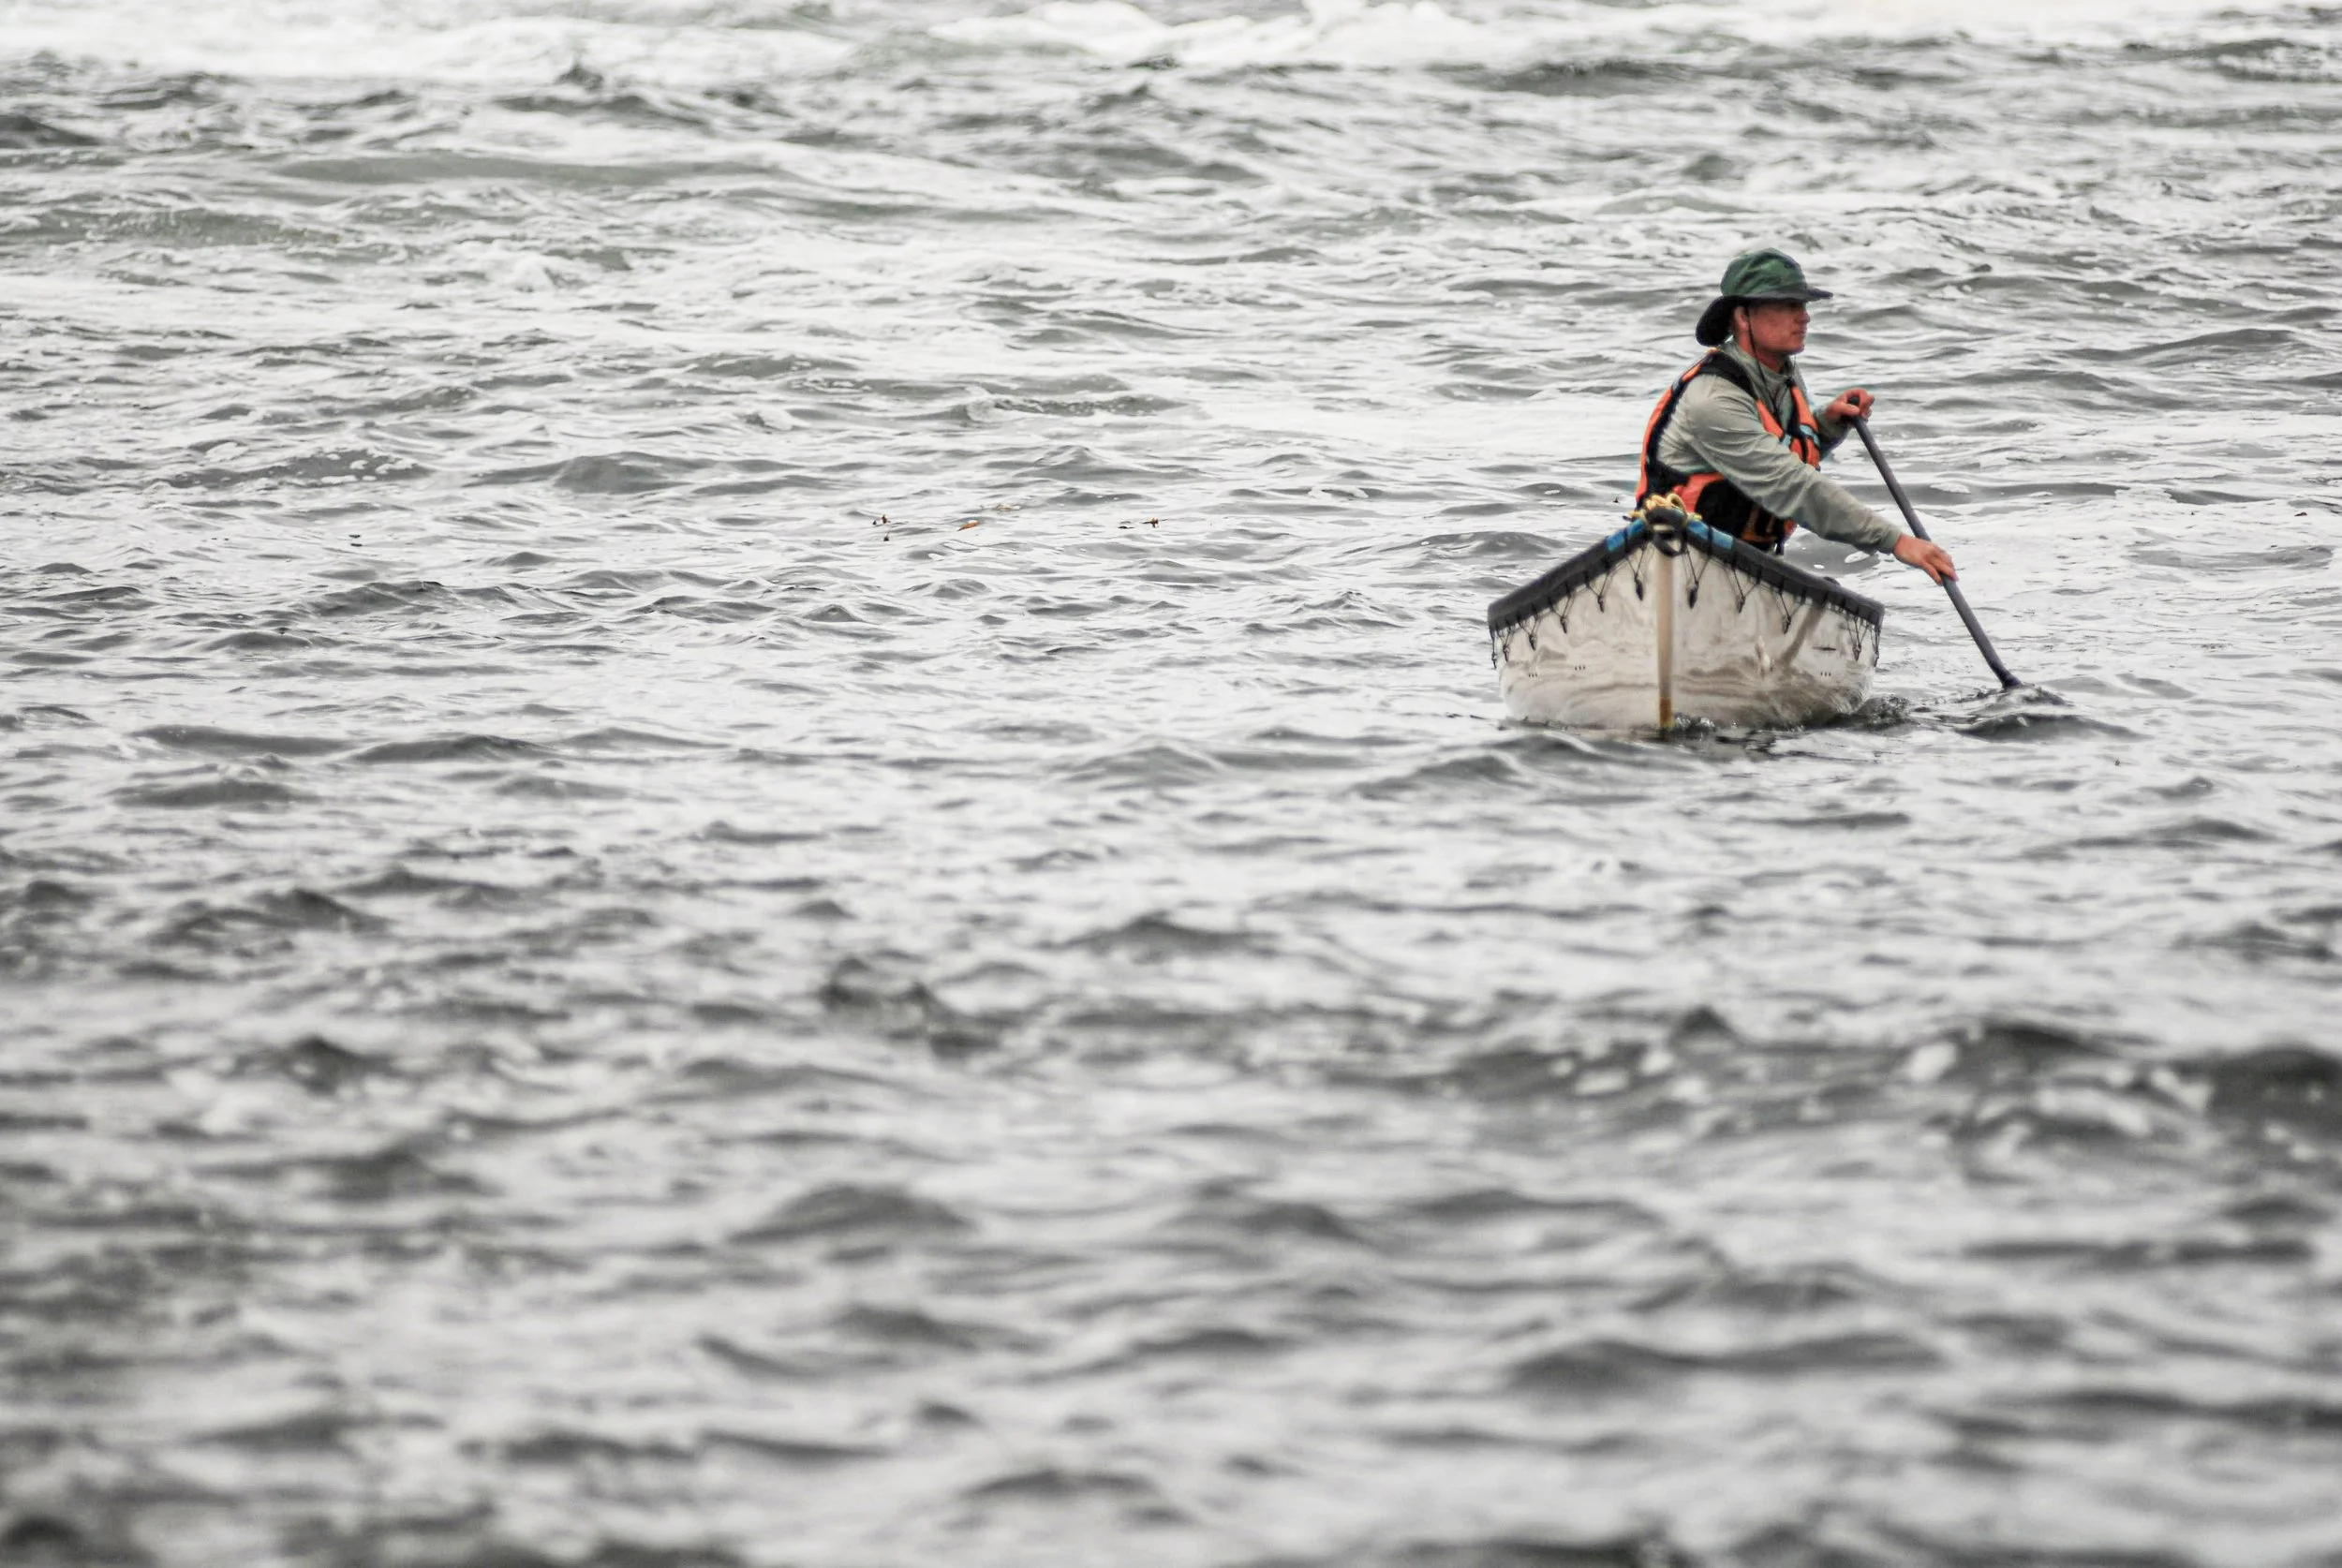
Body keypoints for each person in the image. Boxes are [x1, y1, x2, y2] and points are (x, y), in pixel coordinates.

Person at [1636, 249, 1957, 584]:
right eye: (1789, 305)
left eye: (1803, 305)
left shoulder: (1782, 375)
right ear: (1743, 317)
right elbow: (1792, 485)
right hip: (1674, 559)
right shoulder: (1712, 399)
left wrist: (1827, 424)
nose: (1804, 317)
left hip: (1745, 564)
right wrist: (1896, 542)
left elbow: (1784, 448)